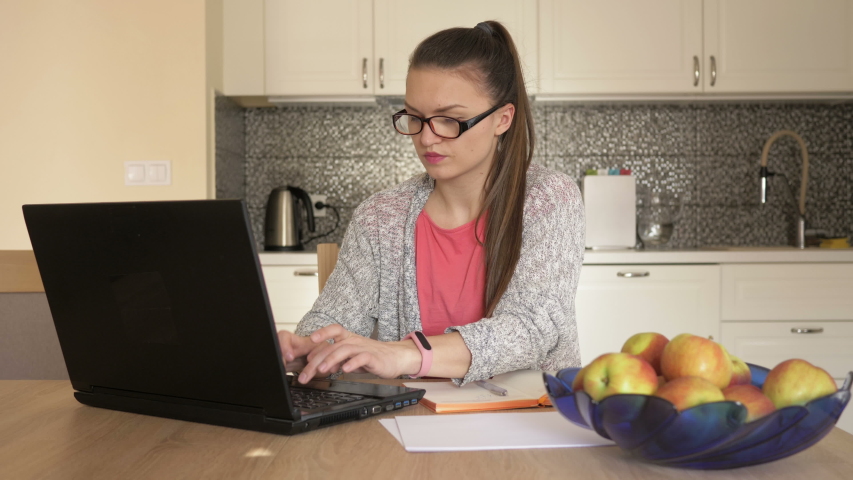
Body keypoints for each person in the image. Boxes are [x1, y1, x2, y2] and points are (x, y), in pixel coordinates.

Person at [278, 20, 585, 386]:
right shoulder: (380, 217)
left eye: (449, 120)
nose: (426, 138)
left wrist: (406, 353)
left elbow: (530, 329)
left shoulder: (548, 198)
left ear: (503, 118)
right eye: (415, 117)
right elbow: (332, 321)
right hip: (414, 423)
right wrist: (307, 348)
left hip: (533, 422)